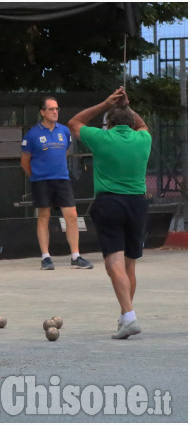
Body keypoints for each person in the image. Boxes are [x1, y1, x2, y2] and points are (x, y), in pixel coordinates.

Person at [67, 87, 151, 339]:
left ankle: (130, 315)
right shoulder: (143, 139)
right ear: (131, 122)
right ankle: (126, 315)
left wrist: (106, 104)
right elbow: (143, 123)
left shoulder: (102, 138)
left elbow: (74, 123)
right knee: (130, 263)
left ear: (109, 123)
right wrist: (126, 105)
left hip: (109, 203)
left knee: (113, 262)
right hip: (138, 204)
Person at [20, 96, 93, 271]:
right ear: (42, 112)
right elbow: (25, 162)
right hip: (41, 181)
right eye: (51, 109)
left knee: (72, 215)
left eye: (57, 109)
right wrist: (36, 176)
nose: (55, 112)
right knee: (43, 216)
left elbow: (65, 152)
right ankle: (46, 257)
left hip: (62, 180)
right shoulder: (32, 135)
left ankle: (75, 256)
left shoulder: (65, 132)